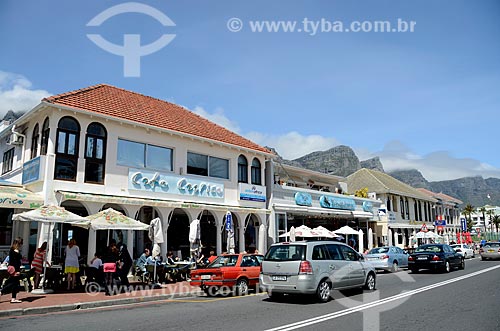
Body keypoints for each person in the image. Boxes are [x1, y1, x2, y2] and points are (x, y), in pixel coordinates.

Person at [1, 238, 23, 303]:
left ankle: (13, 298)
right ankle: (2, 291)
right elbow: (15, 262)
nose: (21, 245)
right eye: (20, 244)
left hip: (11, 268)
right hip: (15, 269)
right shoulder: (16, 251)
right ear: (18, 244)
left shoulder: (11, 250)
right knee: (13, 283)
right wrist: (17, 270)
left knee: (14, 283)